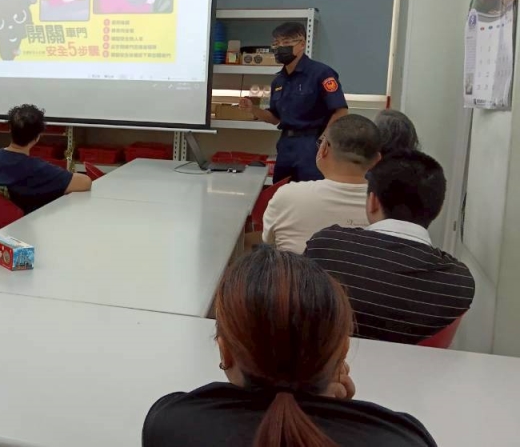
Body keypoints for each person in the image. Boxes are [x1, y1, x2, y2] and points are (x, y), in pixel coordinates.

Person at [143, 246, 436, 447]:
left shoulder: (171, 424)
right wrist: (331, 408)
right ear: (342, 354)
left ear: (225, 351)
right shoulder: (403, 438)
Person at [304, 151, 475, 345]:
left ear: (373, 201)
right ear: (438, 209)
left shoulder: (325, 246)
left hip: (328, 362)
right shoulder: (458, 283)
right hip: (410, 365)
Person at [239, 22, 349, 182]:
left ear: (302, 44)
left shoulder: (321, 73)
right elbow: (275, 118)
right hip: (286, 144)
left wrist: (324, 140)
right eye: (276, 44)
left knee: (310, 192)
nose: (279, 48)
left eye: (286, 42)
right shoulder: (278, 81)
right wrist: (253, 109)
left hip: (312, 142)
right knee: (281, 189)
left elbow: (341, 111)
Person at [263, 114, 381, 254]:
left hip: (297, 268)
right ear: (377, 160)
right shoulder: (387, 205)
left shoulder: (287, 196)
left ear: (323, 149)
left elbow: (269, 244)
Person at [0, 104, 91, 214]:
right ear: (37, 137)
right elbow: (85, 182)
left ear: (10, 129)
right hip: (26, 222)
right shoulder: (37, 169)